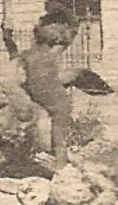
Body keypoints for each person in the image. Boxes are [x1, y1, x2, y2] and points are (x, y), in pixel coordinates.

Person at [6, 9, 79, 167]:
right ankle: (60, 169)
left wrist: (6, 32)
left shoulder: (27, 56)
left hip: (45, 100)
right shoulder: (51, 53)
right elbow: (70, 35)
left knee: (52, 137)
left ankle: (59, 169)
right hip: (54, 100)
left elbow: (11, 47)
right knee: (57, 139)